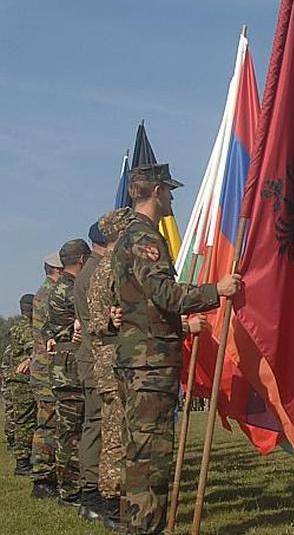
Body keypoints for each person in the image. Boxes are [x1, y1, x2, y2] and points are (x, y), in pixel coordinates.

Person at [111, 163, 240, 534]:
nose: (171, 198)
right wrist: (217, 290)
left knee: (137, 452)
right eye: (168, 191)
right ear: (155, 191)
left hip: (138, 358)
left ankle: (134, 525)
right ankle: (144, 527)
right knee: (151, 457)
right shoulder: (144, 238)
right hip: (148, 362)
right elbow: (165, 294)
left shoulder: (127, 236)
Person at [88, 208, 133, 528]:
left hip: (116, 361)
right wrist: (111, 320)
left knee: (118, 433)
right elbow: (95, 321)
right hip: (112, 363)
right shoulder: (108, 269)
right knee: (115, 435)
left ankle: (117, 501)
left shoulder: (111, 266)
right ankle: (112, 504)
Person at [45, 238, 91, 506]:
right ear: (83, 260)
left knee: (68, 431)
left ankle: (69, 487)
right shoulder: (72, 290)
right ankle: (71, 490)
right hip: (72, 368)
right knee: (73, 433)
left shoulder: (60, 287)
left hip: (64, 366)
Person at [73, 221, 107, 521]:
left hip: (93, 358)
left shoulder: (91, 271)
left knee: (96, 425)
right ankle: (92, 494)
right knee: (96, 426)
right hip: (98, 360)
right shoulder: (96, 273)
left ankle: (92, 493)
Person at [30, 253, 63, 499]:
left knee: (50, 421)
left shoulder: (44, 293)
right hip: (47, 368)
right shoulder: (50, 294)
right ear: (57, 271)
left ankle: (48, 475)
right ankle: (42, 478)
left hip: (44, 367)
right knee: (47, 423)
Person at [6, 294, 37, 476]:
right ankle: (22, 463)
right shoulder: (26, 326)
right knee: (25, 421)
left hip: (18, 380)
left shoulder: (17, 325)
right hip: (22, 381)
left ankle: (25, 459)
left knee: (24, 420)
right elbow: (33, 349)